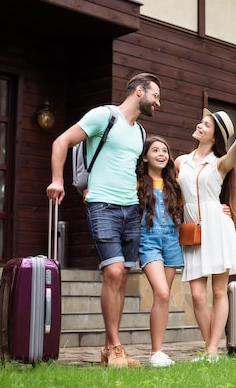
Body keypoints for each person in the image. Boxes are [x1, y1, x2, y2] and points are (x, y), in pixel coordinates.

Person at [46, 73, 162, 368]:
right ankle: (116, 347)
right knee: (112, 272)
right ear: (139, 92)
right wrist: (58, 181)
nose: (158, 103)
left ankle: (111, 348)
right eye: (155, 96)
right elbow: (62, 141)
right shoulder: (104, 116)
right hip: (102, 205)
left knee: (121, 275)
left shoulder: (140, 133)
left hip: (129, 208)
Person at [175, 105, 236, 361]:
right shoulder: (181, 161)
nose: (199, 125)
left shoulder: (220, 164)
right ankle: (211, 346)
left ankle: (212, 350)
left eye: (206, 124)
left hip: (218, 228)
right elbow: (173, 193)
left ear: (215, 137)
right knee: (196, 294)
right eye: (200, 121)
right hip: (193, 231)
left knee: (218, 292)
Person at [136, 136, 184, 367]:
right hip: (149, 242)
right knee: (163, 293)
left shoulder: (174, 184)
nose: (161, 154)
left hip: (172, 243)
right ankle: (156, 352)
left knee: (162, 299)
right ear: (145, 157)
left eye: (164, 150)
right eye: (155, 150)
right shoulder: (137, 183)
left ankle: (158, 352)